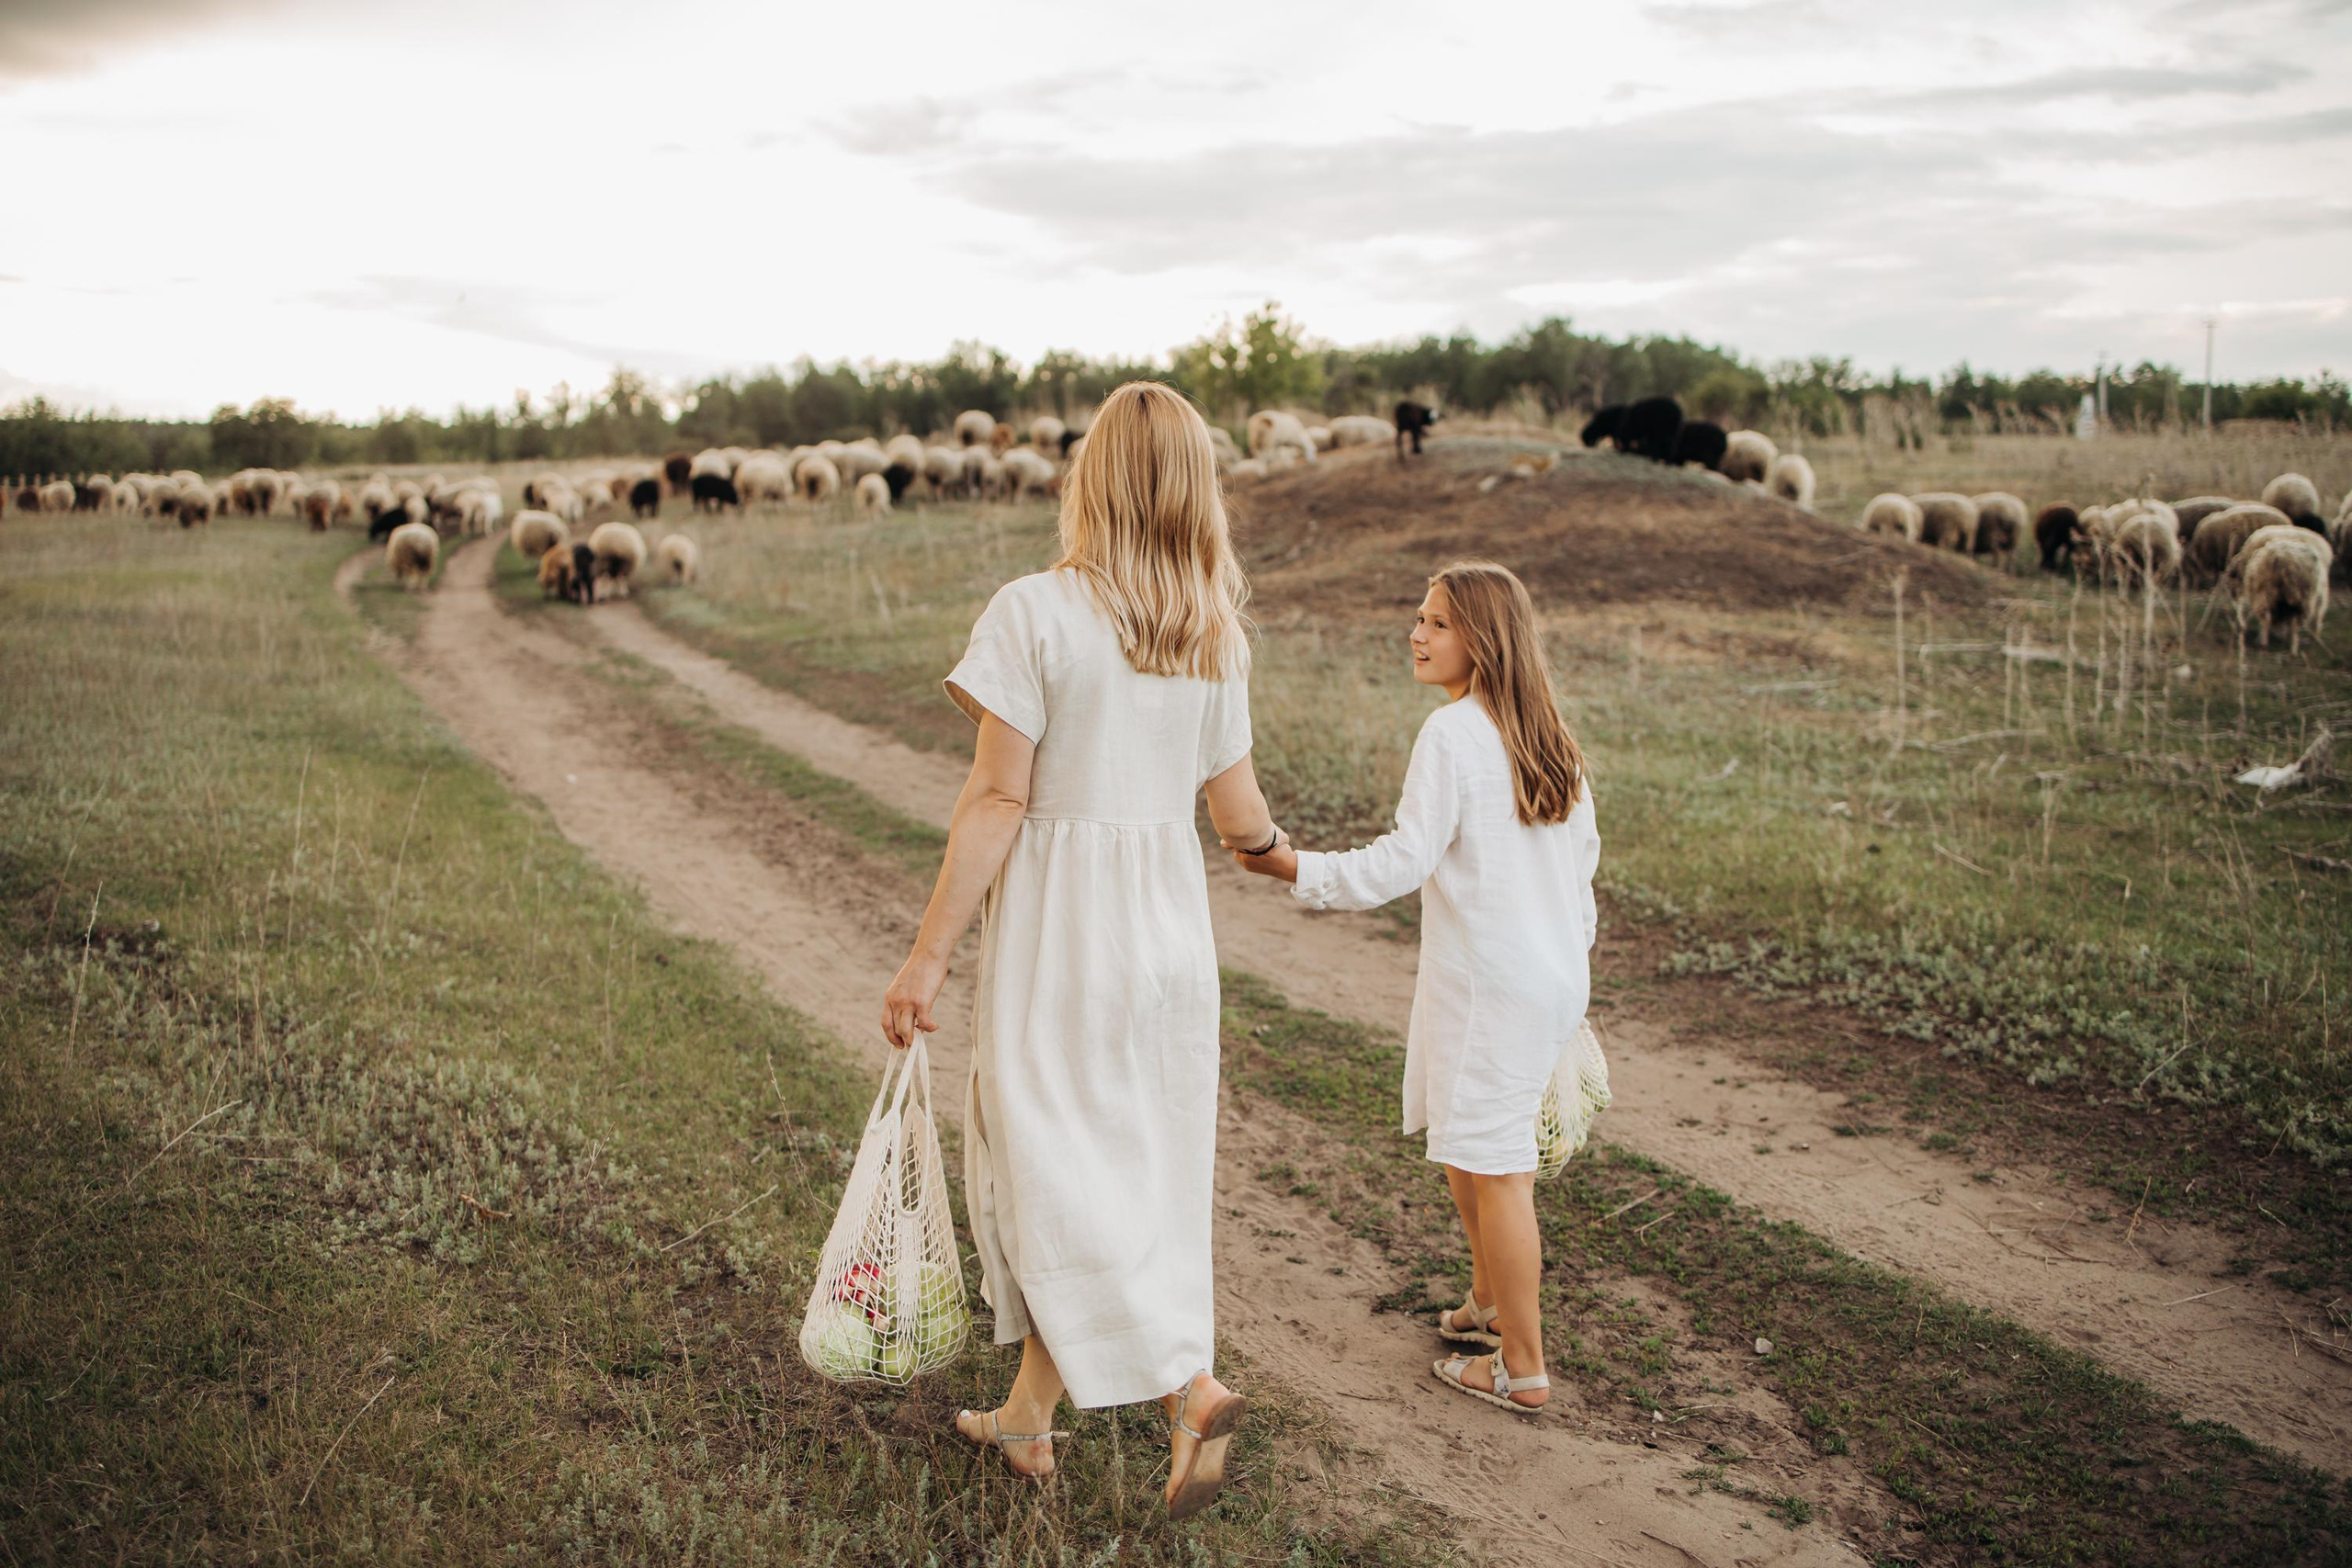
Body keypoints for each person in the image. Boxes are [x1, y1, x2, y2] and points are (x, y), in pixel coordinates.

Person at [881, 381, 1283, 1517]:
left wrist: (927, 957)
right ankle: (1025, 1420)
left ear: (1088, 480)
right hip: (1169, 933)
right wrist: (1291, 857)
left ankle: (1185, 1390)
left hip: (1065, 927)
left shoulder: (1034, 613)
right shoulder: (1213, 633)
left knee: (1042, 1168)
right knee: (1122, 1173)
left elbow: (998, 801)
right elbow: (1241, 818)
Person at [1227, 559, 1599, 1415]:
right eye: (1420, 617)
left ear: (1483, 638)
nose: (1416, 633)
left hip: (1492, 985)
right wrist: (1565, 972)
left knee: (1499, 1168)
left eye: (1436, 622)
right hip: (1537, 979)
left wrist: (1294, 866)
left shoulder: (1455, 735)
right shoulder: (1551, 738)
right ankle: (1492, 1300)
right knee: (1467, 1147)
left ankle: (1524, 1366)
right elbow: (1582, 876)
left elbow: (1404, 859)